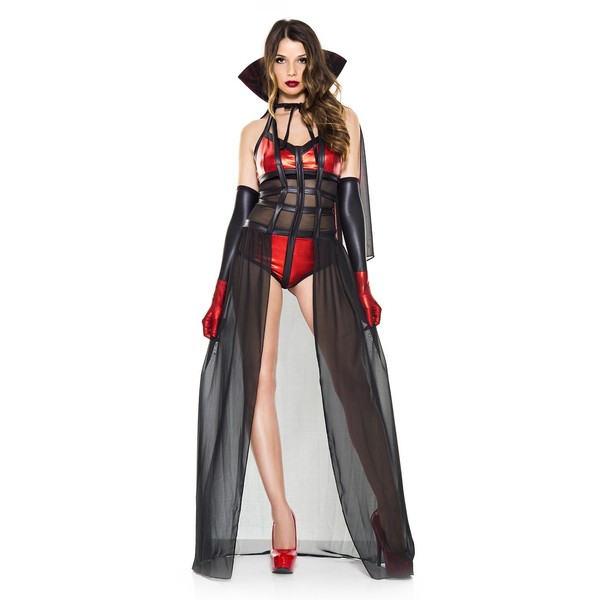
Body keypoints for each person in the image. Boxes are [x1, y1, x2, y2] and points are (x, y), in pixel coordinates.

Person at [192, 18, 415, 580]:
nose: (291, 70)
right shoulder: (253, 131)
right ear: (269, 67)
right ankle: (282, 519)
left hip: (320, 253)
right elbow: (241, 213)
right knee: (257, 382)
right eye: (281, 60)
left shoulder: (343, 121)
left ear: (313, 64)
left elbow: (350, 207)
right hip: (258, 251)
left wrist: (361, 281)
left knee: (353, 379)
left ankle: (388, 516)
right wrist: (219, 290)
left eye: (300, 59)